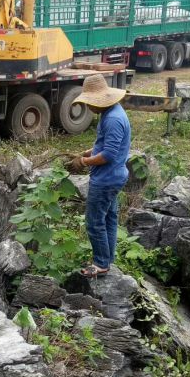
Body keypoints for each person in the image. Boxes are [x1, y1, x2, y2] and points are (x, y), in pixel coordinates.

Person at [69, 74, 131, 278]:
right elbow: (104, 145)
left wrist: (84, 162)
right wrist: (88, 152)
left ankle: (101, 264)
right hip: (113, 177)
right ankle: (107, 258)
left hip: (106, 179)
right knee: (109, 218)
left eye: (90, 103)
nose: (89, 108)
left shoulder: (112, 119)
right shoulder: (112, 113)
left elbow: (109, 154)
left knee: (94, 221)